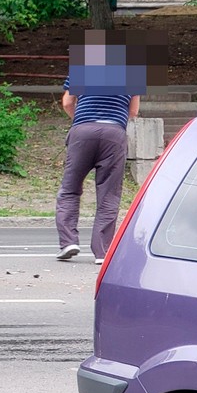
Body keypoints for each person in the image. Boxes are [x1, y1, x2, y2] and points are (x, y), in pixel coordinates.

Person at [55, 67, 140, 263]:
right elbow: (133, 111)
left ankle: (68, 242)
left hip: (83, 132)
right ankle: (102, 251)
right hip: (114, 134)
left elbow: (67, 102)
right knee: (109, 194)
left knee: (70, 188)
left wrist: (81, 121)